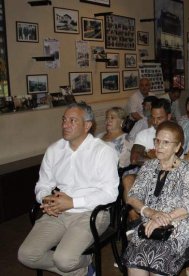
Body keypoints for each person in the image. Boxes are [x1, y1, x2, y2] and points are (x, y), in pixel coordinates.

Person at [18, 102, 119, 275]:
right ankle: (83, 269)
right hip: (58, 211)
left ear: (87, 125)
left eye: (72, 120)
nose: (65, 125)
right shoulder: (54, 150)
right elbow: (42, 184)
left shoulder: (103, 151)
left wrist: (73, 202)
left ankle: (81, 262)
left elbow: (110, 193)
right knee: (26, 255)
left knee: (64, 260)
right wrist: (45, 198)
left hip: (91, 212)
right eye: (64, 119)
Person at [123, 121, 189, 276]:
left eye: (165, 142)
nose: (159, 146)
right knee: (135, 260)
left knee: (159, 260)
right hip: (148, 223)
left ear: (177, 147)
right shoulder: (149, 166)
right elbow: (132, 197)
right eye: (157, 141)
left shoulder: (187, 170)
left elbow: (188, 206)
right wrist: (150, 213)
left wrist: (162, 219)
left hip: (178, 226)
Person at [123, 99, 172, 218]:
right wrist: (157, 157)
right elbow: (134, 159)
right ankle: (135, 220)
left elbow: (170, 161)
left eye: (159, 118)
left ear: (169, 116)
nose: (155, 122)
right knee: (128, 179)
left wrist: (150, 154)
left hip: (169, 177)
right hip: (146, 176)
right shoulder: (144, 134)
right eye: (153, 117)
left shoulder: (177, 134)